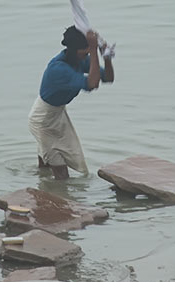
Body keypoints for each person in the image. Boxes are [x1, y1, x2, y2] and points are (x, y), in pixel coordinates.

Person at [28, 26, 114, 180]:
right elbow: (92, 83)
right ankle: (58, 198)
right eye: (85, 52)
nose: (86, 55)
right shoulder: (58, 69)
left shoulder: (79, 60)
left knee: (46, 166)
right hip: (43, 120)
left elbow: (108, 78)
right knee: (61, 174)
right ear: (74, 50)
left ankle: (42, 187)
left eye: (88, 53)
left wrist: (106, 56)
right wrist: (94, 50)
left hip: (58, 114)